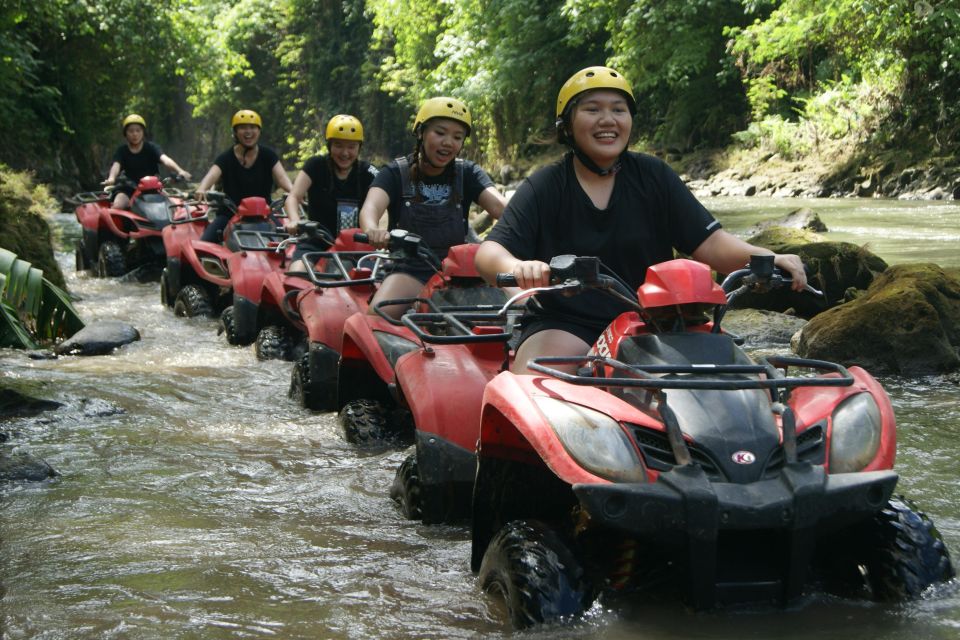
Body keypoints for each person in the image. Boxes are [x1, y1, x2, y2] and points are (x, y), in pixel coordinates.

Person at [474, 66, 807, 373]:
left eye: (618, 110)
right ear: (567, 126)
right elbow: (488, 254)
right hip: (568, 323)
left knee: (751, 390)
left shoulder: (654, 176)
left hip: (660, 321)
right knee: (537, 388)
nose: (608, 120)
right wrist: (520, 267)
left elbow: (710, 244)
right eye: (592, 109)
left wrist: (768, 258)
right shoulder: (545, 185)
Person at [359, 97, 507, 318]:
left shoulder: (467, 172)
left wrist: (534, 223)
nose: (448, 142)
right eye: (440, 133)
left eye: (457, 137)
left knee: (522, 306)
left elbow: (500, 206)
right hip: (411, 270)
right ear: (421, 132)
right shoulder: (395, 172)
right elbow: (370, 207)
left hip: (462, 272)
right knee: (377, 316)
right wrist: (372, 229)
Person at [284, 114, 378, 269]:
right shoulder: (315, 165)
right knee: (297, 273)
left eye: (351, 147)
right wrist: (295, 220)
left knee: (374, 285)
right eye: (339, 145)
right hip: (315, 241)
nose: (345, 153)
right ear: (329, 146)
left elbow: (387, 196)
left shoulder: (369, 171)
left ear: (359, 147)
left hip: (356, 246)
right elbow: (293, 197)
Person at [195, 109, 293, 242]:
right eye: (242, 128)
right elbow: (212, 175)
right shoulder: (225, 158)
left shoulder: (268, 155)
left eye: (253, 127)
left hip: (263, 215)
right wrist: (202, 188)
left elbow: (282, 179)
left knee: (287, 244)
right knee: (204, 245)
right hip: (230, 214)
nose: (248, 132)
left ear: (259, 131)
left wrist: (295, 193)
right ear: (235, 132)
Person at [103, 114, 191, 210]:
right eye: (131, 131)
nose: (135, 134)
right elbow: (116, 165)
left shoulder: (151, 147)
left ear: (143, 132)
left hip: (152, 188)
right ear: (125, 133)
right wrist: (111, 178)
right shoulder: (122, 151)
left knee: (172, 207)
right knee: (118, 205)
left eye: (138, 130)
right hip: (129, 188)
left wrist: (180, 171)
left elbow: (165, 160)